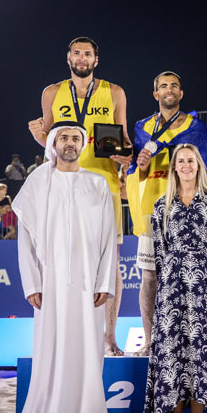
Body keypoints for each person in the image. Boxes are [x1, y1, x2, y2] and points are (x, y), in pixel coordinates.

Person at [27, 36, 132, 356]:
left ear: (96, 59)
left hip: (104, 184)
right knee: (60, 254)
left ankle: (109, 336)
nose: (82, 58)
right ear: (68, 57)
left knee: (110, 263)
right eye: (76, 53)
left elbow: (125, 140)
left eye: (87, 54)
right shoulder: (51, 92)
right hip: (62, 184)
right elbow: (49, 141)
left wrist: (124, 156)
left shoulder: (114, 92)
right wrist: (37, 136)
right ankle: (65, 335)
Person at [12, 121, 115, 413]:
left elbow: (109, 237)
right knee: (50, 350)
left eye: (75, 138)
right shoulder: (37, 182)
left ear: (83, 144)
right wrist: (32, 284)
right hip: (50, 284)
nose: (69, 142)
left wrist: (104, 282)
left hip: (87, 285)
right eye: (63, 137)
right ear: (53, 143)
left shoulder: (97, 183)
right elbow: (25, 238)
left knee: (88, 350)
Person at [126, 71, 207, 357]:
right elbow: (134, 169)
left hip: (185, 209)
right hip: (151, 208)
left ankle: (189, 341)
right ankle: (152, 342)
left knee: (187, 276)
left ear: (181, 93)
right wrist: (139, 165)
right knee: (150, 277)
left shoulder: (196, 127)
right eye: (163, 86)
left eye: (174, 85)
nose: (169, 89)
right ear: (155, 94)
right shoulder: (141, 127)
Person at [143, 143, 207, 413]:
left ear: (199, 165)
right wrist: (168, 283)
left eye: (191, 160)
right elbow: (160, 250)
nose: (186, 165)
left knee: (201, 349)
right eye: (180, 160)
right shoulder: (162, 205)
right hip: (172, 289)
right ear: (174, 167)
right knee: (174, 351)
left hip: (204, 289)